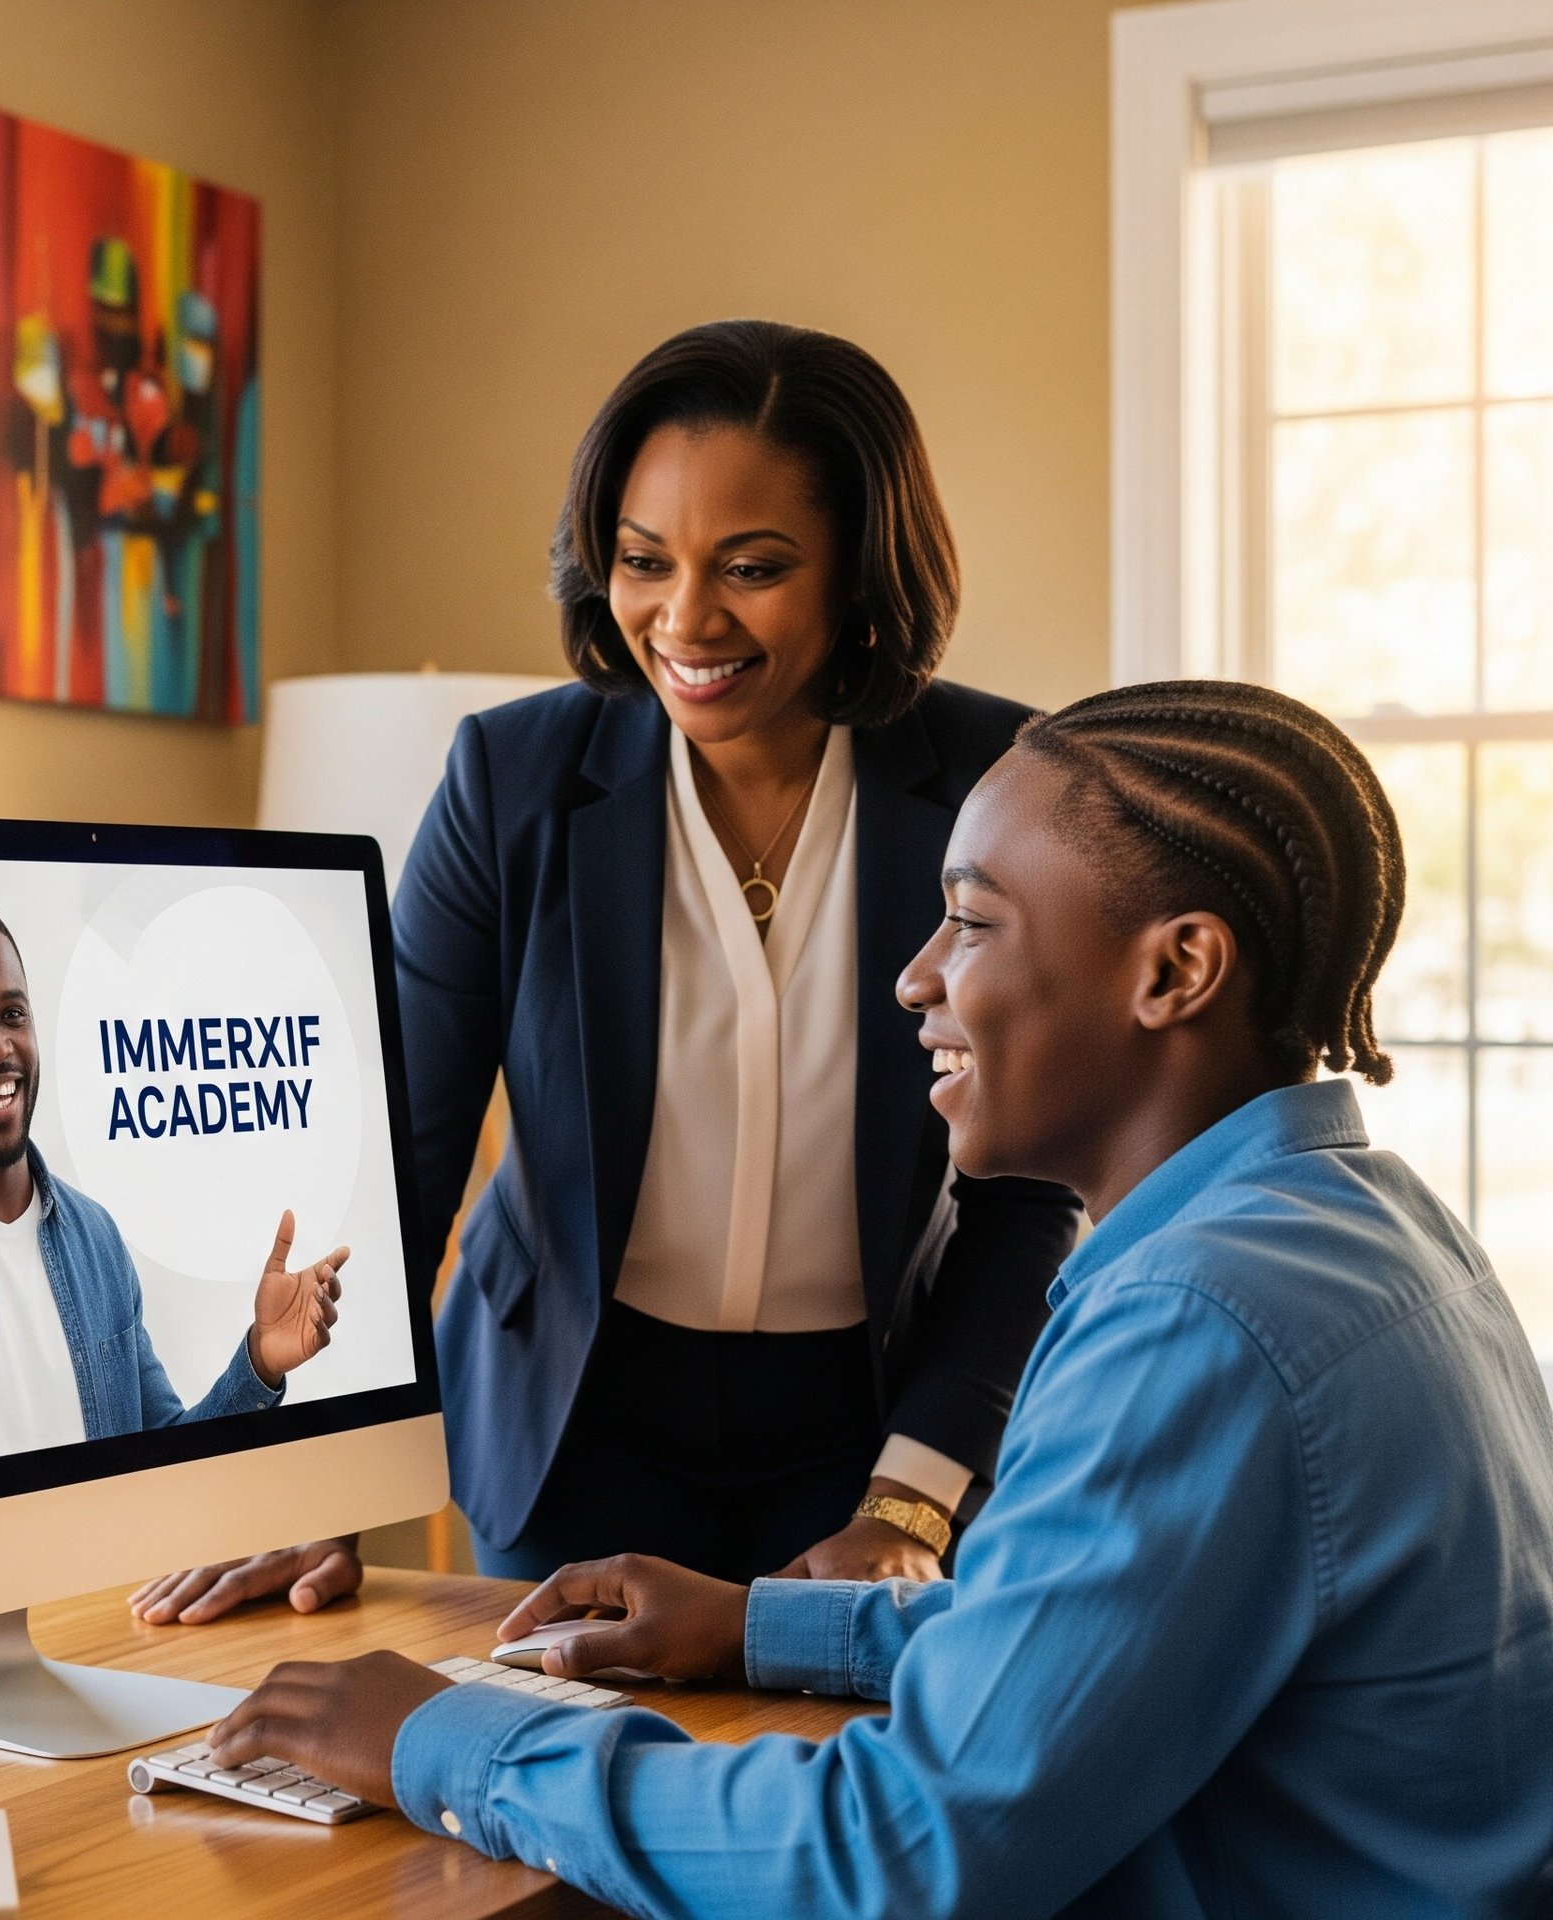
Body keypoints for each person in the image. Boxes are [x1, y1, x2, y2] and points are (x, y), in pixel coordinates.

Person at [197, 680, 1553, 1917]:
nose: (915, 976)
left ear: (1173, 971)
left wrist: (443, 1739)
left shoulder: (1201, 1321)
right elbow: (1075, 1635)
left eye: (971, 921)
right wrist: (756, 1622)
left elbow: (901, 1849)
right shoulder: (1361, 1226)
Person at [130, 318, 1082, 1626]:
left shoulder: (997, 784)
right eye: (645, 562)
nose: (684, 619)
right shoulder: (510, 781)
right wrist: (315, 1473)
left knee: (824, 1803)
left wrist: (909, 1503)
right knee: (541, 1808)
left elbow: (1027, 1195)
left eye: (751, 567)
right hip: (573, 1416)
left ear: (859, 571)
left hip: (872, 1435)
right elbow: (399, 1158)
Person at [0, 892, 347, 1488]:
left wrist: (261, 1361)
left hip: (115, 1583)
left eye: (13, 1014)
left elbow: (167, 1468)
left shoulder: (97, 1239)